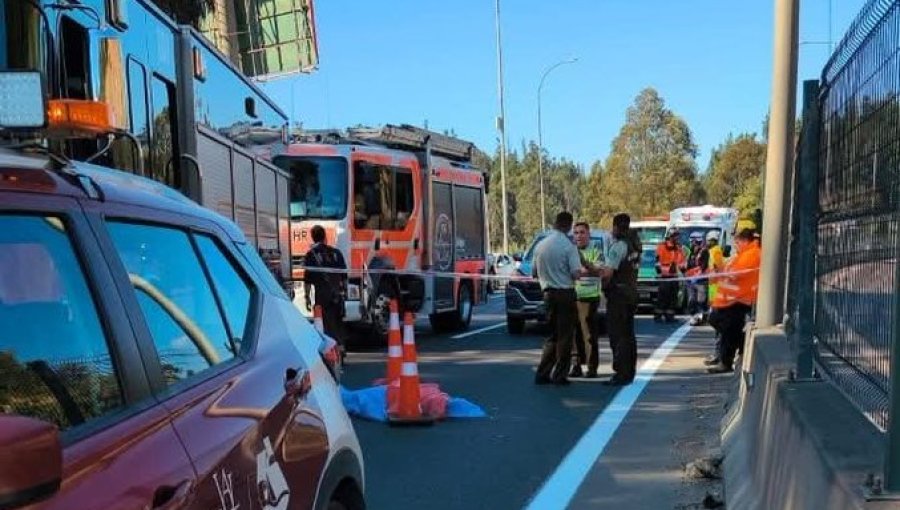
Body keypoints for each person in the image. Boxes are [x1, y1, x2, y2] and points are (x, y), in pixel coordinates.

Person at [533, 211, 587, 385]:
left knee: (552, 336)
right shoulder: (568, 246)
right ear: (568, 225)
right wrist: (585, 271)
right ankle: (560, 375)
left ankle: (542, 373)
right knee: (565, 336)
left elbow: (534, 272)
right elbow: (576, 273)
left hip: (547, 294)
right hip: (565, 293)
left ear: (555, 223)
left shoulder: (540, 245)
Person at [706, 229, 761, 374]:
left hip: (739, 299)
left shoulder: (752, 254)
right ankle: (733, 353)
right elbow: (729, 268)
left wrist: (724, 271)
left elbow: (736, 273)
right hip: (729, 300)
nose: (735, 246)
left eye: (737, 243)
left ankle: (727, 360)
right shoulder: (742, 254)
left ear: (744, 241)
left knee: (729, 331)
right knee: (721, 325)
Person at [599, 213, 641, 386]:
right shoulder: (635, 246)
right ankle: (629, 371)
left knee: (618, 336)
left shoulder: (618, 247)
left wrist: (602, 283)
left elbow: (608, 273)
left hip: (618, 295)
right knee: (629, 335)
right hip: (631, 293)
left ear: (616, 227)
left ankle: (621, 373)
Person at [304, 225, 348, 351]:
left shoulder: (311, 255)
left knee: (325, 323)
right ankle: (341, 347)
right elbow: (344, 275)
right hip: (336, 293)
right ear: (325, 236)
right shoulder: (336, 253)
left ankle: (330, 349)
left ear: (313, 238)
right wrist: (344, 292)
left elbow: (307, 279)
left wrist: (307, 297)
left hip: (321, 294)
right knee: (337, 321)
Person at [570, 222, 603, 378]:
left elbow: (598, 271)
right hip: (573, 296)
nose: (579, 236)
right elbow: (569, 272)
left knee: (588, 335)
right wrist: (584, 271)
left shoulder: (596, 250)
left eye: (582, 232)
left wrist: (584, 269)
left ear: (588, 234)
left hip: (589, 297)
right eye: (576, 233)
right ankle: (576, 365)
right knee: (573, 334)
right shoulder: (571, 251)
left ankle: (591, 367)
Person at [655, 229, 686, 322]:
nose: (677, 238)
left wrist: (683, 267)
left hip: (674, 276)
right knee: (662, 297)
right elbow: (657, 262)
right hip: (665, 277)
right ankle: (658, 315)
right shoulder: (662, 247)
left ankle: (670, 316)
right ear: (670, 236)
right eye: (675, 236)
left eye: (677, 236)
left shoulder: (678, 248)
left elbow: (681, 262)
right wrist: (664, 270)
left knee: (673, 297)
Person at [685, 231, 711, 326]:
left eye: (693, 241)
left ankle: (704, 317)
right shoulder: (691, 251)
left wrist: (696, 276)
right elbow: (688, 265)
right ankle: (694, 317)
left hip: (701, 281)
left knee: (701, 300)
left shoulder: (704, 252)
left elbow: (703, 266)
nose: (691, 243)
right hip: (690, 281)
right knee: (692, 300)